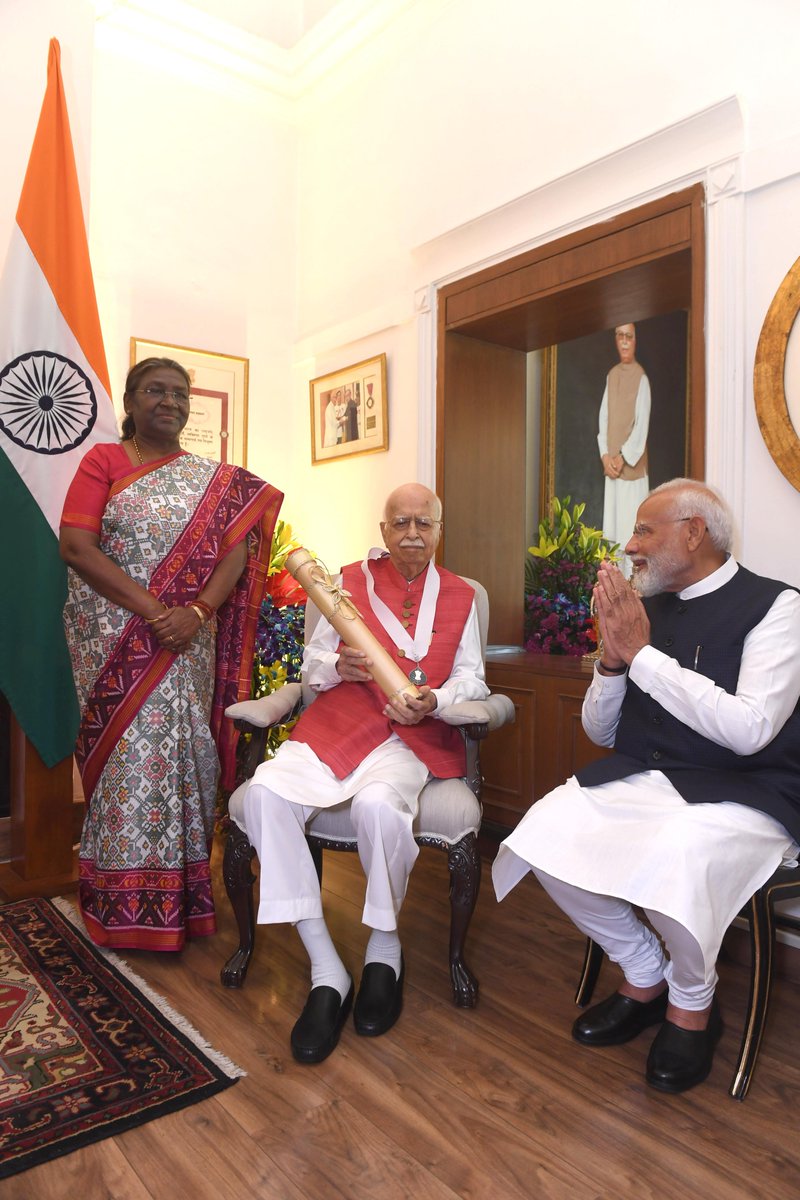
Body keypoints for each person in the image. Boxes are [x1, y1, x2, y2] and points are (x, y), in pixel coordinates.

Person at [493, 478, 800, 1094]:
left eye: (643, 531)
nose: (630, 546)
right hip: (649, 777)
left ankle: (692, 1002)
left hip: (747, 789)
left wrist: (642, 655)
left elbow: (749, 731)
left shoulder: (778, 606)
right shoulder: (642, 611)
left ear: (694, 532)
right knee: (544, 828)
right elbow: (602, 732)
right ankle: (643, 969)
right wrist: (611, 661)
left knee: (680, 850)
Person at [241, 483, 489, 1063]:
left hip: (410, 734)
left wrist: (436, 700)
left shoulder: (460, 595)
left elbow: (474, 681)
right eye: (399, 522)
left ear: (437, 530)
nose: (411, 533)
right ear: (383, 530)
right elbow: (314, 666)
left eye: (423, 523)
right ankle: (327, 968)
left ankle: (384, 950)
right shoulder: (345, 582)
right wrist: (339, 663)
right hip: (339, 724)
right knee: (264, 794)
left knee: (380, 807)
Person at [59, 357, 283, 951]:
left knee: (186, 761)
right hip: (116, 643)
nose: (170, 401)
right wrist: (157, 612)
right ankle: (119, 902)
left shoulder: (214, 479)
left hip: (186, 645)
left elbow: (236, 550)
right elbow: (77, 547)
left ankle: (181, 901)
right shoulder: (102, 461)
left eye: (180, 394)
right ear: (130, 404)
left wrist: (199, 612)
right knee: (127, 766)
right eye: (155, 391)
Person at [597, 323, 651, 576]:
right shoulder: (611, 375)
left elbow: (641, 427)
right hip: (613, 471)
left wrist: (622, 457)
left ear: (636, 340)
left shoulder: (641, 378)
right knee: (613, 533)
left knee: (631, 532)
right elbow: (603, 419)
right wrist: (605, 456)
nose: (625, 342)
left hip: (631, 471)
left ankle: (632, 586)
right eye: (620, 336)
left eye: (629, 336)